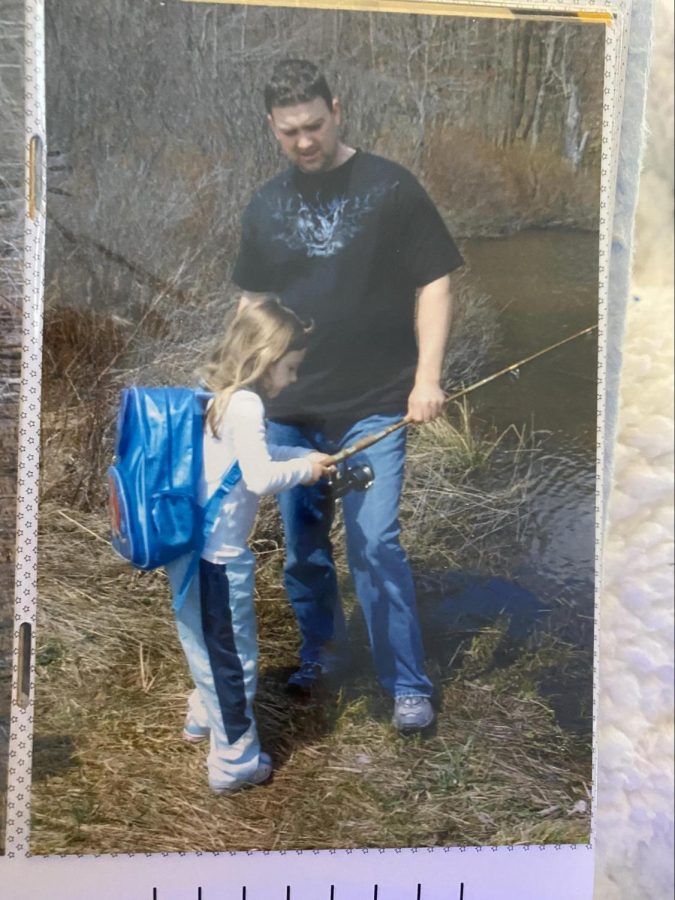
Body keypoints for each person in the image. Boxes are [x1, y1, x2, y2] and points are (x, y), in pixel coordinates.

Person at [233, 59, 464, 733]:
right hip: (289, 409)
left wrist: (426, 378)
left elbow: (436, 282)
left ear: (336, 110)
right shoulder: (265, 204)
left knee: (375, 543)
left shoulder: (391, 187)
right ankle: (322, 655)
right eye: (288, 132)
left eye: (312, 125)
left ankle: (406, 683)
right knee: (304, 548)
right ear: (271, 129)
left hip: (374, 401)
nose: (303, 141)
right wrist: (244, 378)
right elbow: (253, 301)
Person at [166, 297, 334, 793]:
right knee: (234, 660)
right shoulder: (249, 402)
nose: (294, 379)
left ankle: (202, 714)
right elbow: (260, 477)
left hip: (190, 550)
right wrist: (305, 470)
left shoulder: (213, 393)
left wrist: (305, 454)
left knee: (204, 643)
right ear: (265, 356)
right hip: (218, 559)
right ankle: (234, 761)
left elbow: (245, 458)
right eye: (291, 367)